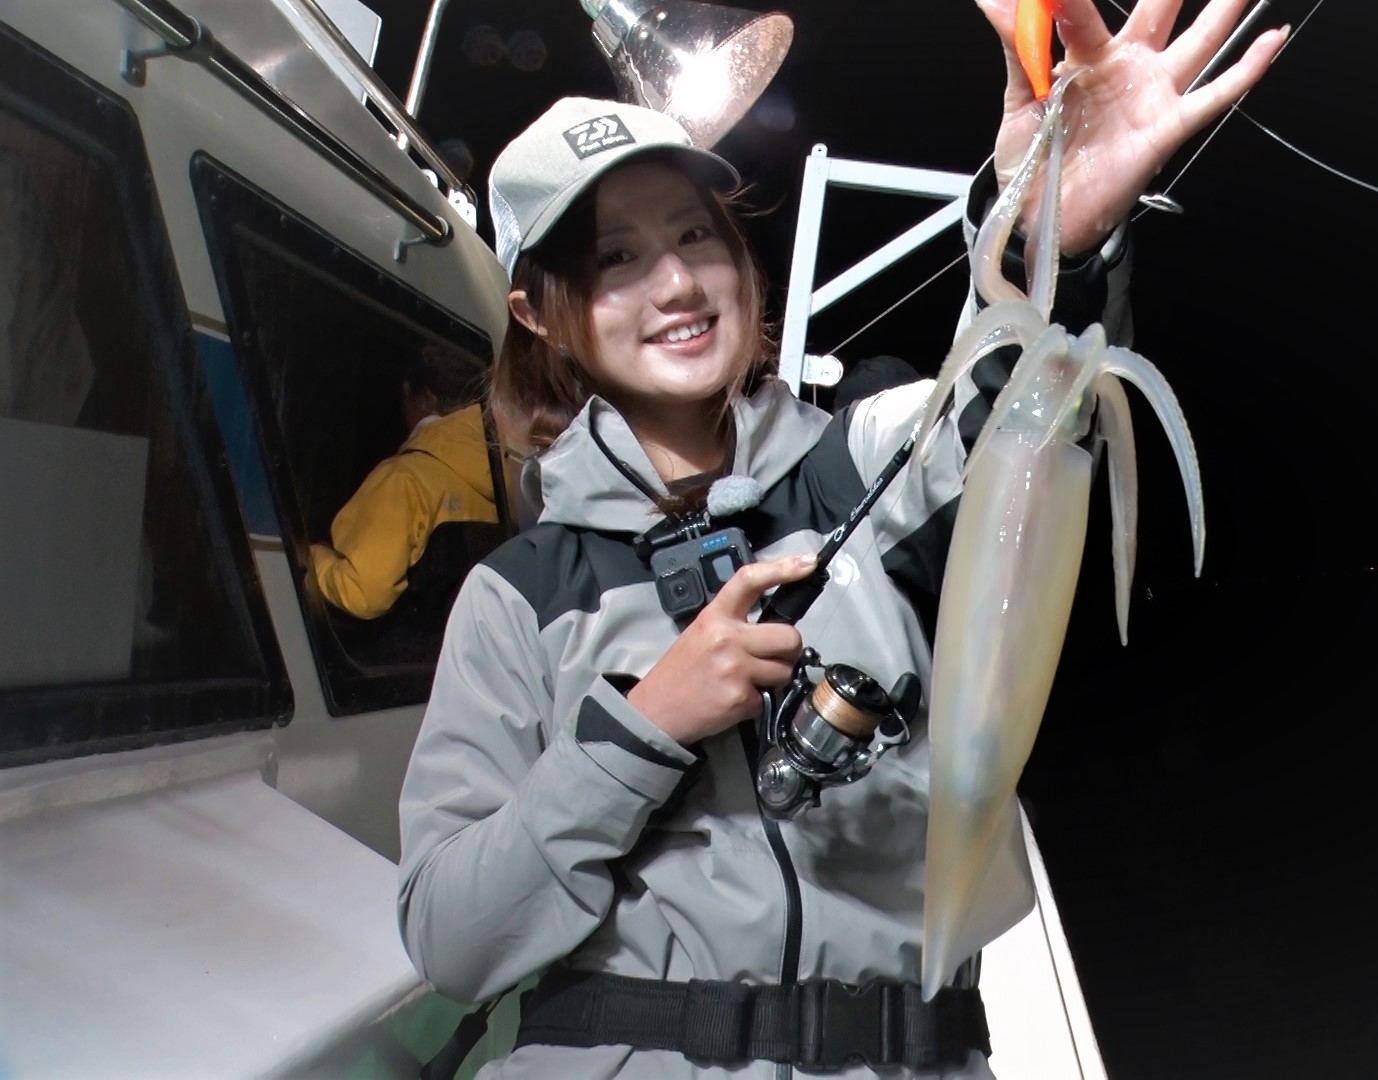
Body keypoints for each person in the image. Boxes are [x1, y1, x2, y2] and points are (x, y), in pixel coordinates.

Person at [395, 1, 1288, 1075]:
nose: (675, 284)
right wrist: (643, 728)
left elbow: (1016, 403)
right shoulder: (518, 594)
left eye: (693, 234)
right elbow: (450, 942)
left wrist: (1053, 231)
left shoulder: (862, 467)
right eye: (615, 259)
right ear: (539, 313)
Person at [309, 345, 504, 621]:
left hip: (413, 642)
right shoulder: (507, 473)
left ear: (423, 398)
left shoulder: (404, 480)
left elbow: (363, 595)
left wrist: (313, 559)